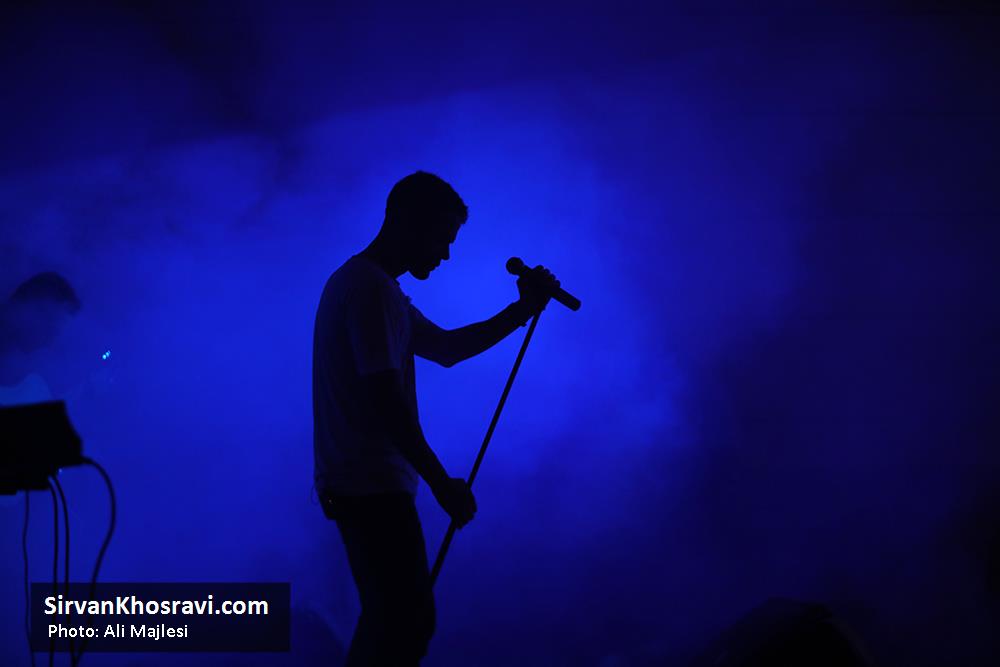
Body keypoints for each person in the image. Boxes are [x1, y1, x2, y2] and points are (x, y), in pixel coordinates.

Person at [312, 171, 558, 666]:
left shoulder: (374, 289)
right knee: (405, 620)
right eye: (441, 238)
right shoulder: (371, 290)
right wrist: (442, 482)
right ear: (408, 222)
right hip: (370, 483)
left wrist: (522, 310)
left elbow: (446, 348)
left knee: (394, 618)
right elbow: (385, 399)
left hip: (360, 481)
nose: (444, 255)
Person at [0, 271, 81, 405]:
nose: (48, 342)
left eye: (55, 333)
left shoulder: (35, 389)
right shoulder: (33, 389)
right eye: (50, 326)